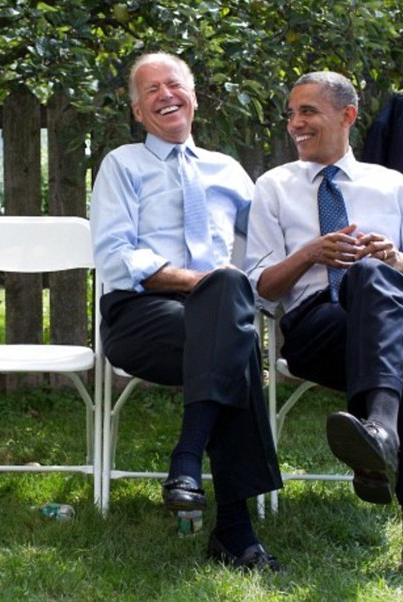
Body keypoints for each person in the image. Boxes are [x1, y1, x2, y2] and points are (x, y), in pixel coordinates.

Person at [244, 71, 403, 588]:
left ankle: (381, 433)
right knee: (401, 340)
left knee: (373, 278)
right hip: (320, 328)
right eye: (291, 113)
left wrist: (398, 262)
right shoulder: (274, 187)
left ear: (347, 116)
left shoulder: (393, 184)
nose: (295, 123)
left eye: (307, 111)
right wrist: (310, 254)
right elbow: (260, 287)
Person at [90, 52, 282, 573]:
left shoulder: (229, 171)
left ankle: (188, 466)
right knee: (233, 332)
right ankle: (234, 528)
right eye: (150, 90)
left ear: (193, 97)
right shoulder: (122, 166)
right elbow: (115, 257)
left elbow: (268, 245)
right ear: (137, 111)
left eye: (173, 84)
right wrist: (207, 284)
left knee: (230, 324)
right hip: (141, 315)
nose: (165, 95)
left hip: (216, 317)